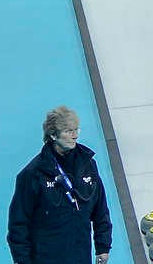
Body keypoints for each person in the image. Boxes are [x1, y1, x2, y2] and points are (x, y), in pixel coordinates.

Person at [6, 105, 112, 264]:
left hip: (80, 255)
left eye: (77, 130)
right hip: (46, 257)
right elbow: (18, 224)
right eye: (69, 131)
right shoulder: (32, 174)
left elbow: (100, 209)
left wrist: (103, 247)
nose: (75, 136)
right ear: (53, 135)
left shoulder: (88, 165)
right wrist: (22, 260)